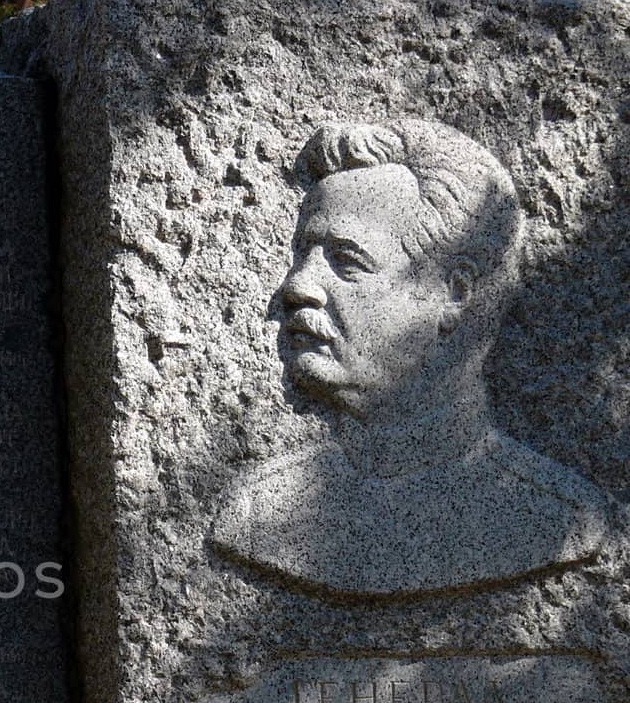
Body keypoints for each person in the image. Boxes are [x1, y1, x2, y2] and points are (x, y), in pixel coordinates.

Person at [212, 118, 609, 598]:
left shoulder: (554, 515)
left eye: (346, 261)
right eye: (302, 256)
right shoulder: (260, 511)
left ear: (454, 291)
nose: (296, 287)